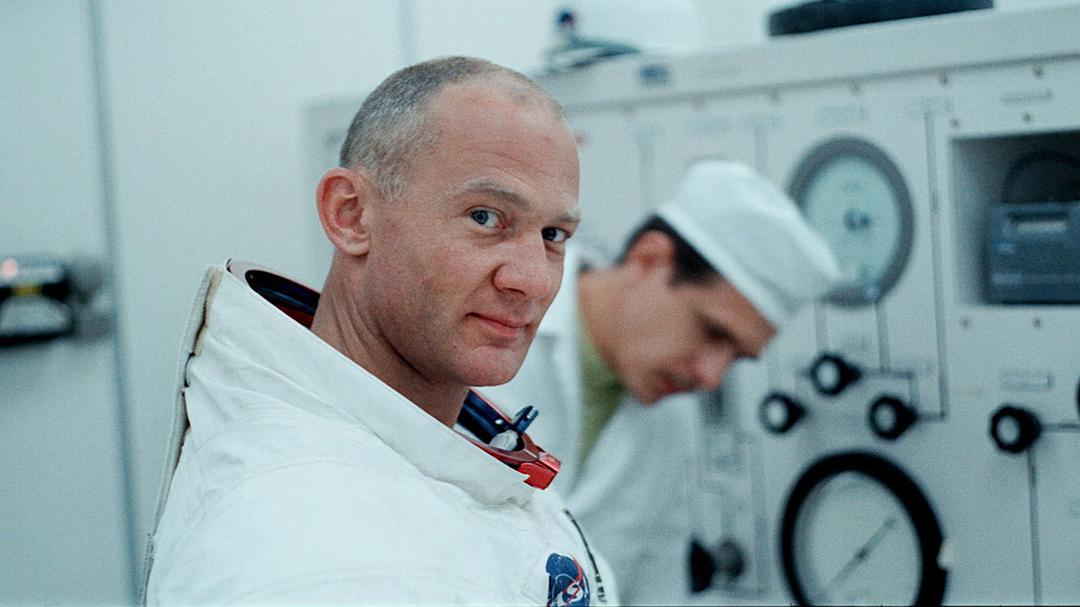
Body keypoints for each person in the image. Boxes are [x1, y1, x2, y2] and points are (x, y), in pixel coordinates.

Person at [142, 56, 615, 605]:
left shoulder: (424, 452)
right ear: (351, 215)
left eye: (553, 234)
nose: (533, 281)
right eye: (485, 218)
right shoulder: (304, 552)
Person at [479, 160, 841, 605]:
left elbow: (658, 588)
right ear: (649, 259)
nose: (711, 376)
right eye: (712, 331)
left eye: (736, 357)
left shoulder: (672, 422)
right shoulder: (491, 331)